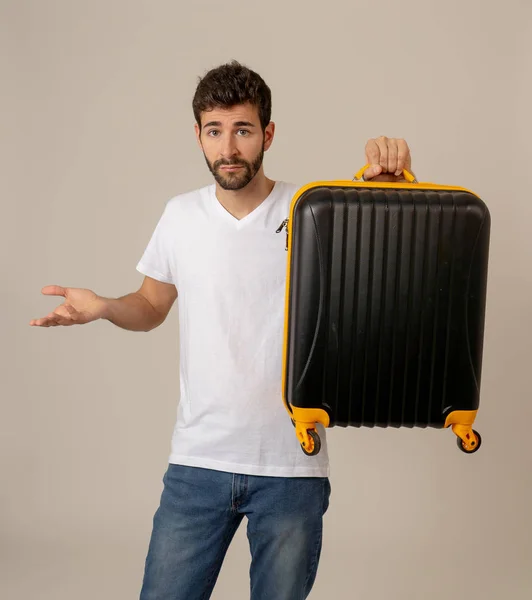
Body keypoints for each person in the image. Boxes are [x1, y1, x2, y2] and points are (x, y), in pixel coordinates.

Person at [30, 61, 414, 600]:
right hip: (198, 464)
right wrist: (104, 308)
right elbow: (151, 304)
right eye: (215, 131)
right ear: (198, 136)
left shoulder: (314, 212)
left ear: (268, 134)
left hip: (292, 468)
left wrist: (392, 189)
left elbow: (386, 275)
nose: (228, 148)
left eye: (243, 129)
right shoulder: (180, 216)